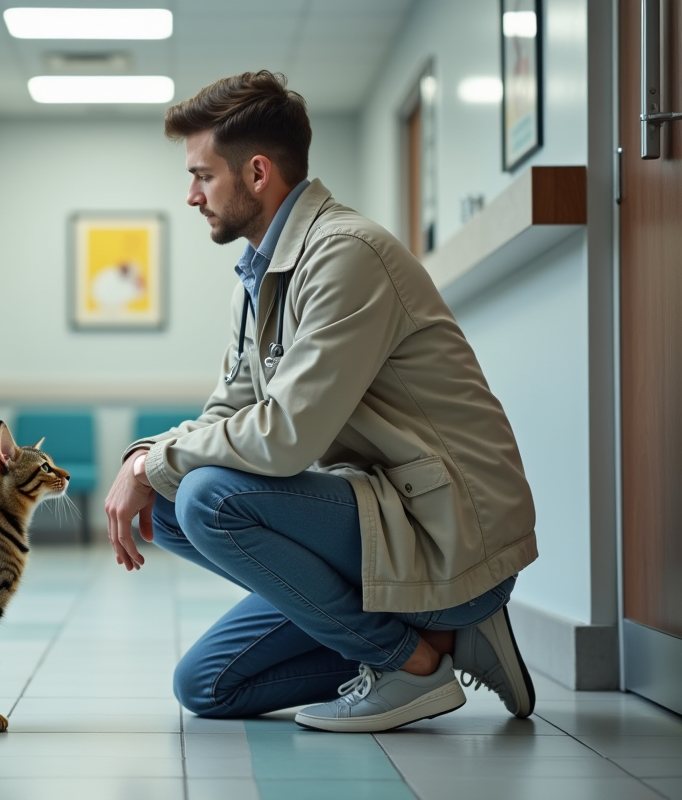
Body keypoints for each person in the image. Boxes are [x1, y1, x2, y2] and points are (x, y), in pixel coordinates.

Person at [103, 71, 539, 733]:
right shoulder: (258, 273)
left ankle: (412, 665)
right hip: (376, 520)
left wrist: (149, 464)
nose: (190, 196)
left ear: (256, 173)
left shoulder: (346, 255)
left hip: (445, 534)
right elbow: (229, 411)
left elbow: (284, 438)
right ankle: (441, 640)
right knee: (205, 683)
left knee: (204, 497)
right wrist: (147, 461)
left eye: (201, 176)